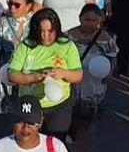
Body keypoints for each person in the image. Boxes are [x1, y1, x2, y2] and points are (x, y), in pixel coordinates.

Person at [7, 9, 84, 141]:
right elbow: (12, 74)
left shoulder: (67, 46)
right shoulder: (26, 46)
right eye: (41, 31)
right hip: (29, 106)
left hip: (59, 106)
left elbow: (78, 75)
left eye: (50, 31)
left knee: (55, 144)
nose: (45, 35)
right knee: (28, 142)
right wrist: (34, 77)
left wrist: (63, 73)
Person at [66, 4, 118, 152]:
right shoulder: (68, 36)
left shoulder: (105, 38)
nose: (90, 24)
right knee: (68, 124)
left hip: (93, 89)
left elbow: (113, 57)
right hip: (70, 87)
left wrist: (109, 74)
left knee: (84, 126)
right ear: (80, 18)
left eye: (94, 20)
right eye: (87, 19)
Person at [0, 0, 34, 114]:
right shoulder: (4, 21)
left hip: (29, 72)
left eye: (17, 5)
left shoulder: (36, 22)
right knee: (9, 112)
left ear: (28, 6)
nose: (12, 8)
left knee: (27, 110)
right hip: (7, 70)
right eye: (10, 4)